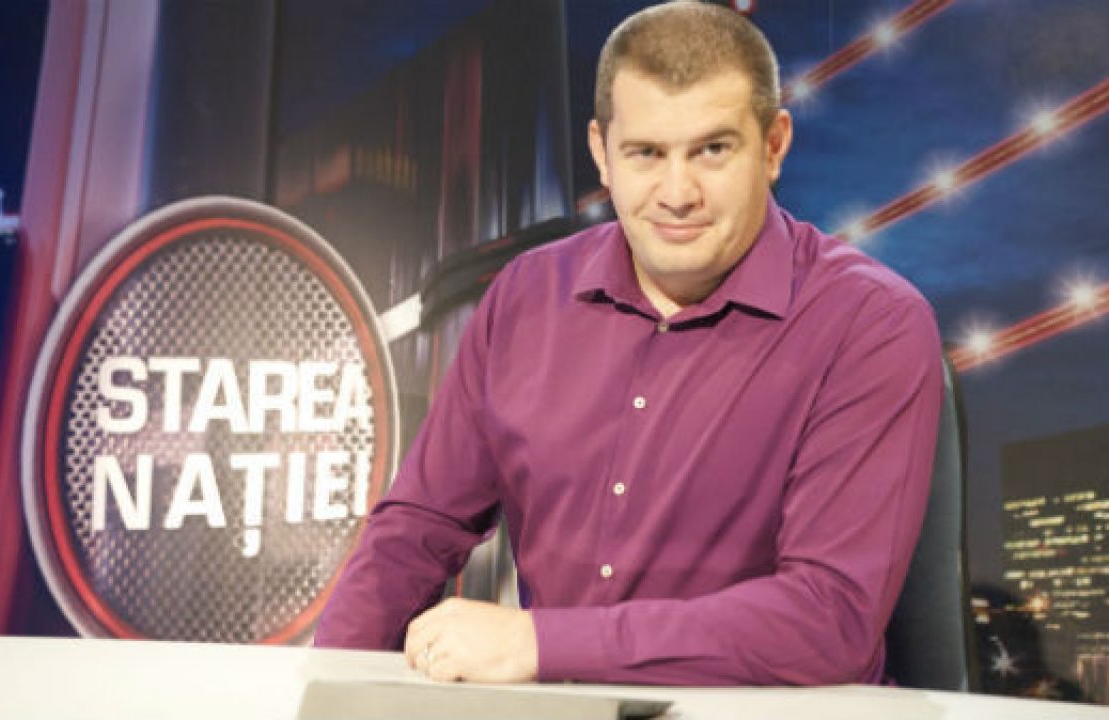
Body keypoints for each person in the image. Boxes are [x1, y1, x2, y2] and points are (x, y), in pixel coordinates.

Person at [314, 0, 943, 686]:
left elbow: (830, 622)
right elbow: (417, 528)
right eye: (646, 153)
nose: (677, 193)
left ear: (773, 146)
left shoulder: (871, 322)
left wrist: (543, 644)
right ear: (602, 155)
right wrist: (323, 685)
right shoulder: (525, 295)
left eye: (712, 150)